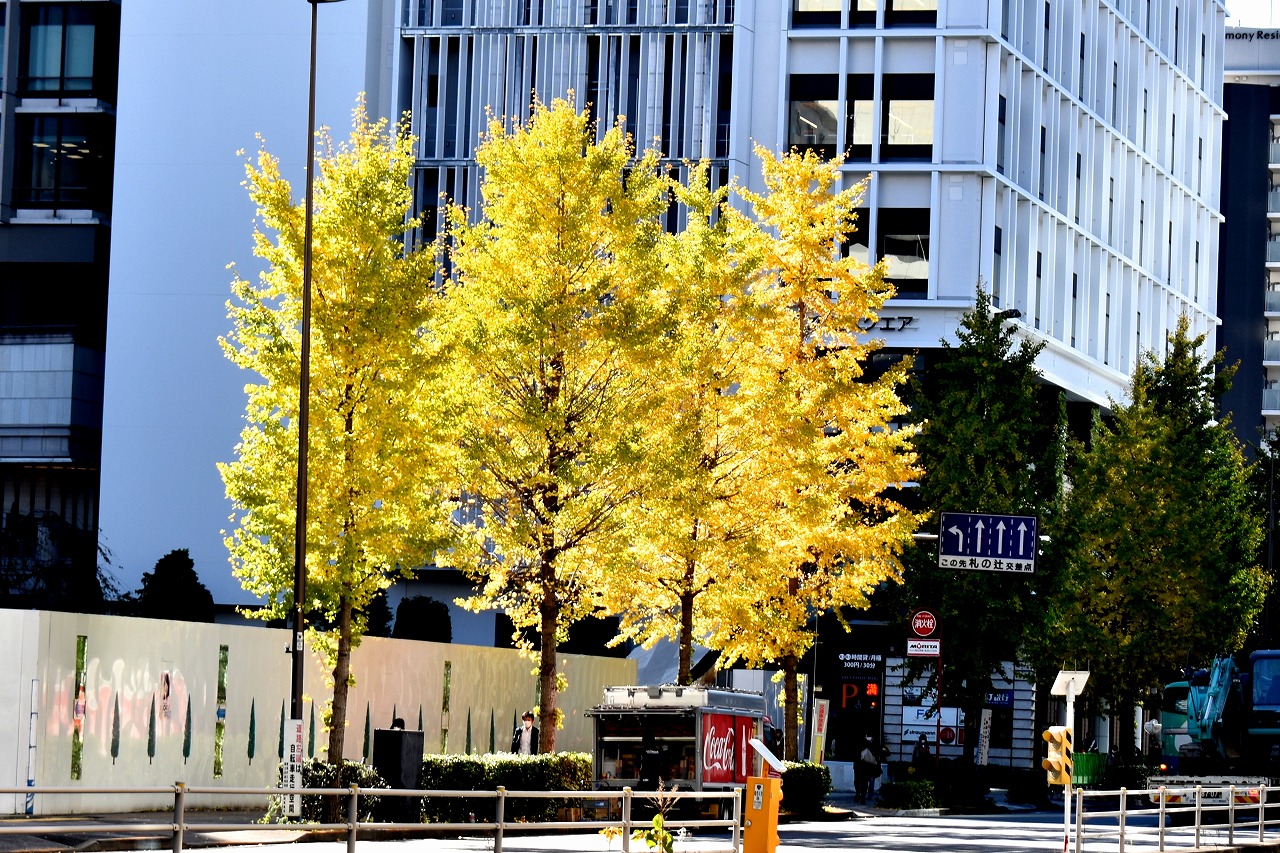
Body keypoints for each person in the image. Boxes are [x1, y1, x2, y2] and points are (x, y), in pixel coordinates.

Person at [855, 735, 882, 804]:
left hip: (860, 767)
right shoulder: (872, 746)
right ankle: (863, 797)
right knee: (865, 783)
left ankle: (859, 795)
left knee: (860, 782)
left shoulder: (861, 745)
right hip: (867, 767)